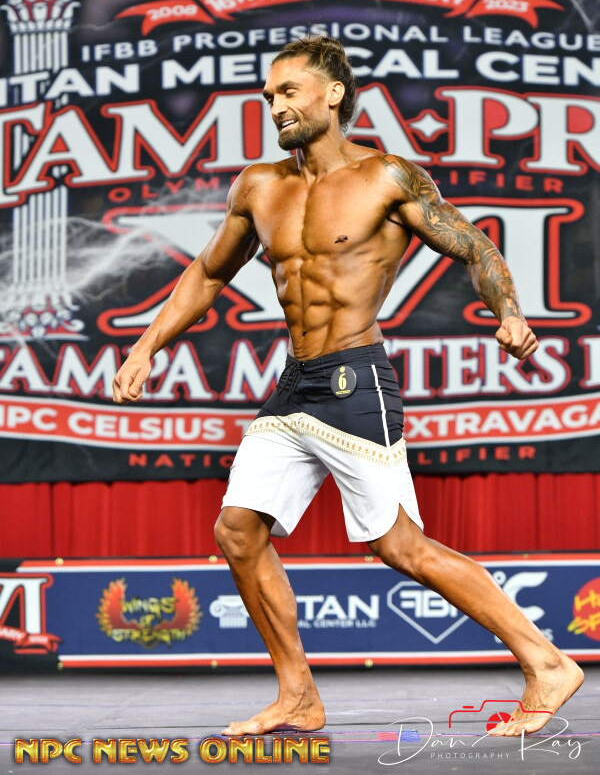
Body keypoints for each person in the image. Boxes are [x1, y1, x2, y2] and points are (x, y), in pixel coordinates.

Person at [112, 36, 583, 738]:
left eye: (289, 91)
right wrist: (147, 345)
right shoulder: (259, 186)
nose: (276, 106)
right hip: (294, 386)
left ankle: (546, 662)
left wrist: (508, 312)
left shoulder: (385, 177)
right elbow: (208, 274)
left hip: (355, 381)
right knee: (238, 531)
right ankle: (298, 695)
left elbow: (474, 245)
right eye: (268, 96)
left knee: (402, 548)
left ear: (333, 94)